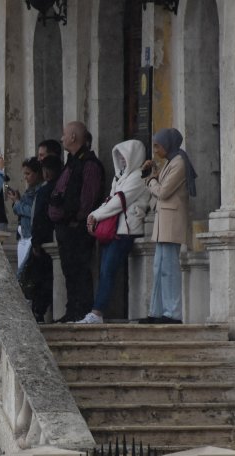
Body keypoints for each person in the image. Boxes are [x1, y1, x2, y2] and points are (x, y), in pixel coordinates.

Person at [76, 140, 150, 324]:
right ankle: (96, 312)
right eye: (119, 157)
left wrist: (95, 215)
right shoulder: (120, 176)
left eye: (124, 156)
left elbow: (119, 201)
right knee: (105, 270)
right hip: (115, 230)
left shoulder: (139, 176)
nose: (122, 160)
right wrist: (96, 214)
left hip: (126, 230)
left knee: (108, 269)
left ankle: (97, 312)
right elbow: (110, 199)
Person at [46, 121, 107, 323]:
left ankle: (81, 310)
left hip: (77, 230)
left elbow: (87, 200)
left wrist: (74, 220)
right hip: (65, 230)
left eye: (64, 134)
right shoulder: (71, 162)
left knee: (80, 270)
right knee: (69, 272)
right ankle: (72, 310)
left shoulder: (89, 164)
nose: (62, 138)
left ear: (73, 137)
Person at [140, 127, 197, 325]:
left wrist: (151, 180)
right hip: (164, 221)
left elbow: (163, 192)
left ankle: (172, 313)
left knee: (169, 268)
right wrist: (152, 174)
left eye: (157, 146)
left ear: (168, 144)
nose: (155, 150)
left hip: (171, 221)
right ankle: (156, 311)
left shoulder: (179, 162)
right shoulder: (170, 162)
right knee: (159, 267)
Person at [25, 154, 63, 322]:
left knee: (40, 279)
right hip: (53, 238)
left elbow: (39, 217)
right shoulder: (58, 187)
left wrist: (36, 242)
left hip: (44, 241)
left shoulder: (46, 190)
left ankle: (39, 310)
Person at [7, 157, 44, 270]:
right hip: (23, 236)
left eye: (28, 173)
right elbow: (19, 210)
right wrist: (17, 200)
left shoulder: (40, 190)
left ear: (37, 174)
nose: (25, 177)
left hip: (30, 237)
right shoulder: (30, 189)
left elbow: (32, 212)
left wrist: (18, 203)